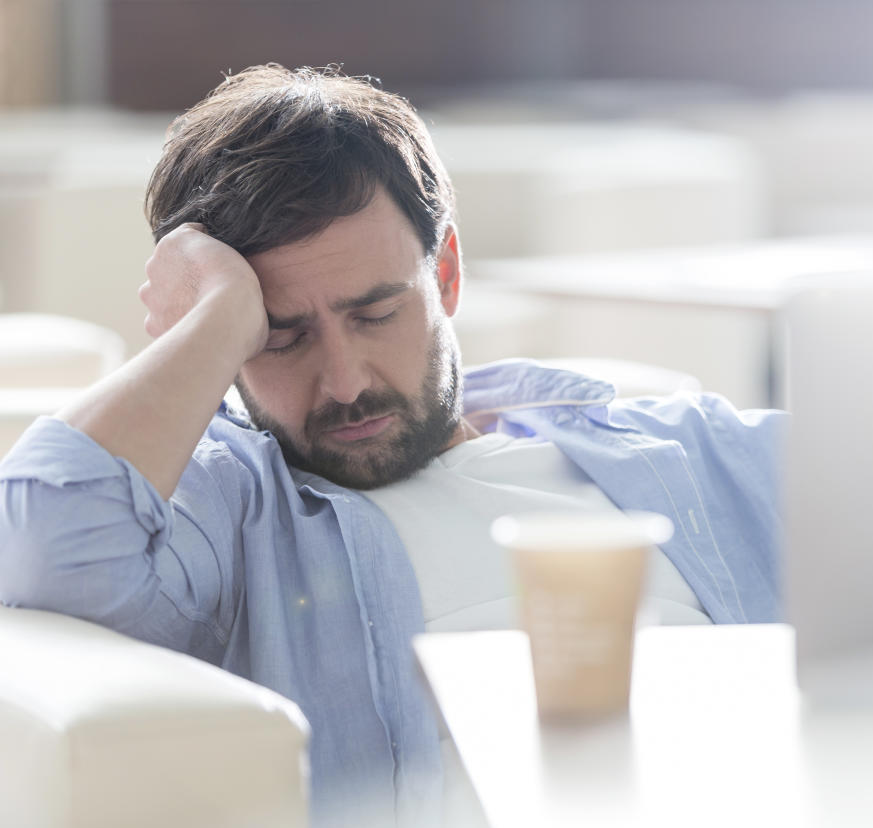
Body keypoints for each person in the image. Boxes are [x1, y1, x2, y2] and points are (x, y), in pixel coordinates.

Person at [0, 64, 784, 826]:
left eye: (376, 315)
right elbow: (39, 547)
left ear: (444, 276)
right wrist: (212, 324)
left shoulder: (686, 451)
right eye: (282, 337)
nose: (343, 383)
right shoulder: (234, 514)